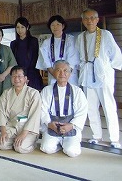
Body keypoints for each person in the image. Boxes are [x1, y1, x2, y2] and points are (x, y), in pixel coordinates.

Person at [76, 8, 122, 148]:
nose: (89, 21)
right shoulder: (80, 37)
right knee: (91, 106)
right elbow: (79, 57)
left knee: (108, 105)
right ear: (83, 21)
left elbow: (115, 54)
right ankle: (96, 135)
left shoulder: (105, 34)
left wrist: (106, 67)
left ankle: (114, 138)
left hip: (103, 74)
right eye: (86, 18)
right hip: (87, 73)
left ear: (97, 20)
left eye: (92, 18)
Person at [40, 60, 88, 157]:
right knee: (47, 148)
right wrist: (49, 123)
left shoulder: (77, 91)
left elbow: (82, 111)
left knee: (73, 152)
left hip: (70, 127)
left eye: (65, 70)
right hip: (52, 126)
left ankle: (65, 143)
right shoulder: (47, 90)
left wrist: (71, 125)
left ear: (70, 73)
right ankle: (59, 144)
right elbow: (41, 109)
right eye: (58, 70)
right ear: (54, 72)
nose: (62, 73)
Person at [0, 66, 41, 153]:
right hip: (12, 126)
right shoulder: (6, 93)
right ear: (11, 78)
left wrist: (23, 134)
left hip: (27, 129)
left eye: (19, 76)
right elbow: (0, 112)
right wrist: (3, 131)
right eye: (14, 76)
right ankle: (15, 142)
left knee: (20, 148)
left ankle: (31, 142)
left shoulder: (33, 93)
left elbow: (34, 116)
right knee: (1, 144)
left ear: (25, 78)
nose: (16, 79)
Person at [36, 15, 79, 86]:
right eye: (52, 25)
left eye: (58, 24)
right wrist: (55, 75)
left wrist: (64, 75)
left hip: (69, 76)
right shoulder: (46, 43)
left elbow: (72, 59)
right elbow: (46, 61)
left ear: (63, 26)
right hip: (53, 76)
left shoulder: (70, 40)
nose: (55, 27)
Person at [10, 17, 43, 90]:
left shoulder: (33, 41)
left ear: (27, 28)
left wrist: (26, 77)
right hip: (18, 76)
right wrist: (19, 76)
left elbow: (34, 59)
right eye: (17, 27)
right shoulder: (13, 43)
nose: (20, 30)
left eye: (22, 27)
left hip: (32, 75)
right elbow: (13, 62)